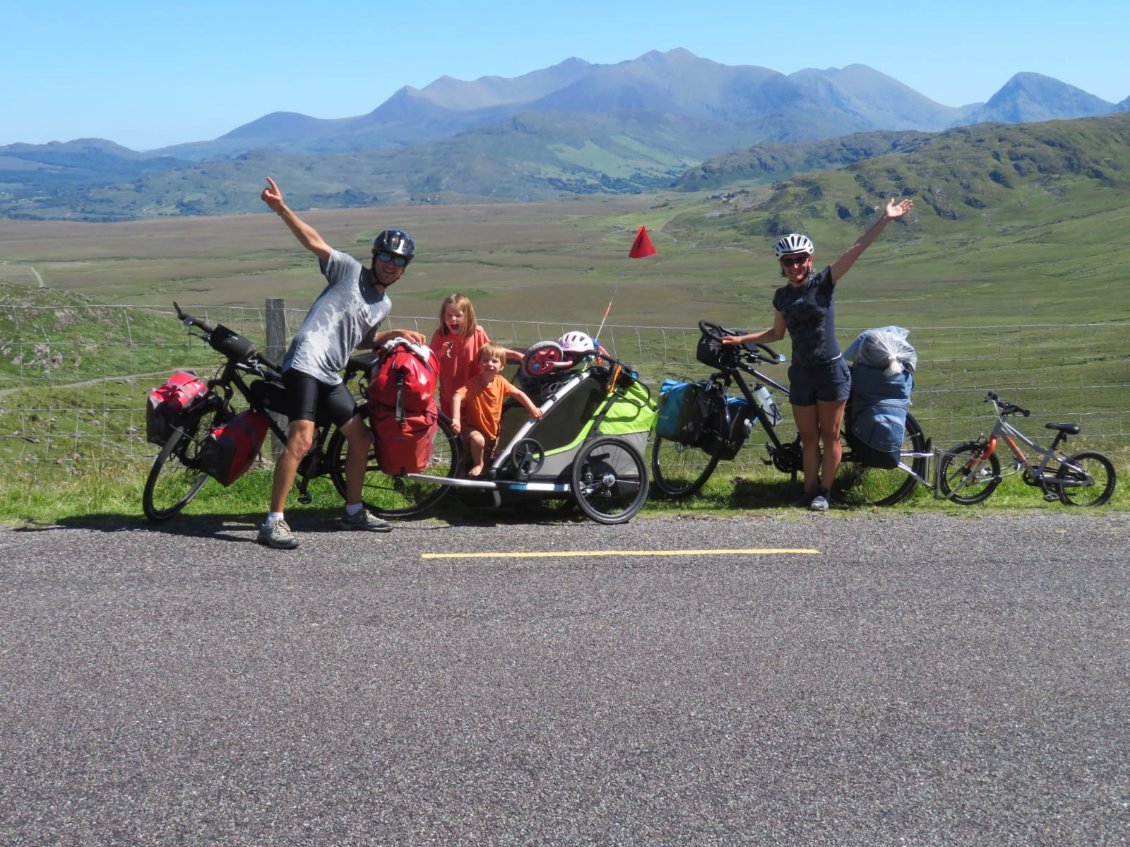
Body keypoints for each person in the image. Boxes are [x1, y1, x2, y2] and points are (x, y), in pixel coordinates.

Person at [257, 176, 427, 549]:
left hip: (331, 371)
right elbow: (314, 242)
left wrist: (391, 334)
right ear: (374, 256)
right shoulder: (348, 270)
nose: (390, 264)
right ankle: (273, 520)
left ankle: (353, 510)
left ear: (404, 268)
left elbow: (360, 339)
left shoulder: (383, 304)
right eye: (386, 256)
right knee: (301, 439)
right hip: (306, 360)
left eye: (399, 261)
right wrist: (282, 209)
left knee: (360, 436)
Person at [722, 197, 914, 512]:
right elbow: (777, 333)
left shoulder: (824, 283)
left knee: (830, 437)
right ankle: (808, 493)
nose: (795, 265)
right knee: (808, 439)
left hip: (830, 372)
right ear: (781, 265)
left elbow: (856, 249)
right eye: (788, 261)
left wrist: (885, 219)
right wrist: (740, 339)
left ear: (810, 260)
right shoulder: (781, 296)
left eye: (800, 259)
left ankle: (826, 493)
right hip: (801, 373)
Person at [450, 342, 543, 477]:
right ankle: (476, 465)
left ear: (502, 366)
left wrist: (532, 408)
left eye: (495, 361)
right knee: (477, 442)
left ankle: (480, 471)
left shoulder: (501, 382)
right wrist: (456, 419)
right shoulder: (473, 383)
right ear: (478, 364)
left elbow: (518, 393)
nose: (490, 364)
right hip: (471, 427)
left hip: (492, 431)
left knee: (489, 460)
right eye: (485, 360)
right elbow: (457, 396)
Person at [429, 292, 521, 418]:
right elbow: (430, 358)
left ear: (467, 316)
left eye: (458, 315)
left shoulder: (477, 332)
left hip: (475, 394)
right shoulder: (440, 335)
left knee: (475, 431)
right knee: (455, 432)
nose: (452, 319)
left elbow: (493, 351)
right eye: (449, 315)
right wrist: (442, 352)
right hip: (450, 395)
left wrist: (518, 356)